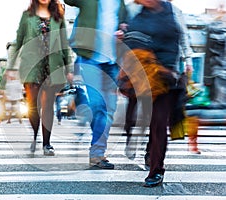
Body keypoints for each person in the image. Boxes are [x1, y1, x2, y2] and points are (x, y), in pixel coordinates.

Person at [120, 0, 185, 187]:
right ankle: (133, 136)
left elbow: (182, 39)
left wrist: (180, 65)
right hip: (141, 76)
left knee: (158, 124)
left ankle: (156, 169)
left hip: (166, 78)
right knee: (140, 117)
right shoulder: (136, 14)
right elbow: (130, 42)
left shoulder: (173, 11)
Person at [64, 0, 127, 169]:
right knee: (98, 105)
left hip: (112, 61)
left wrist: (123, 31)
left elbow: (126, 24)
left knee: (109, 109)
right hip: (90, 58)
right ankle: (97, 151)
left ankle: (97, 154)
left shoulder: (120, 3)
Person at [8, 0, 73, 156]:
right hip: (31, 66)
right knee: (33, 106)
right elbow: (18, 41)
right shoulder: (27, 16)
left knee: (48, 105)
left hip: (52, 66)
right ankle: (35, 134)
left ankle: (47, 143)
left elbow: (64, 44)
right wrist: (11, 67)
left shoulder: (58, 17)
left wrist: (68, 68)